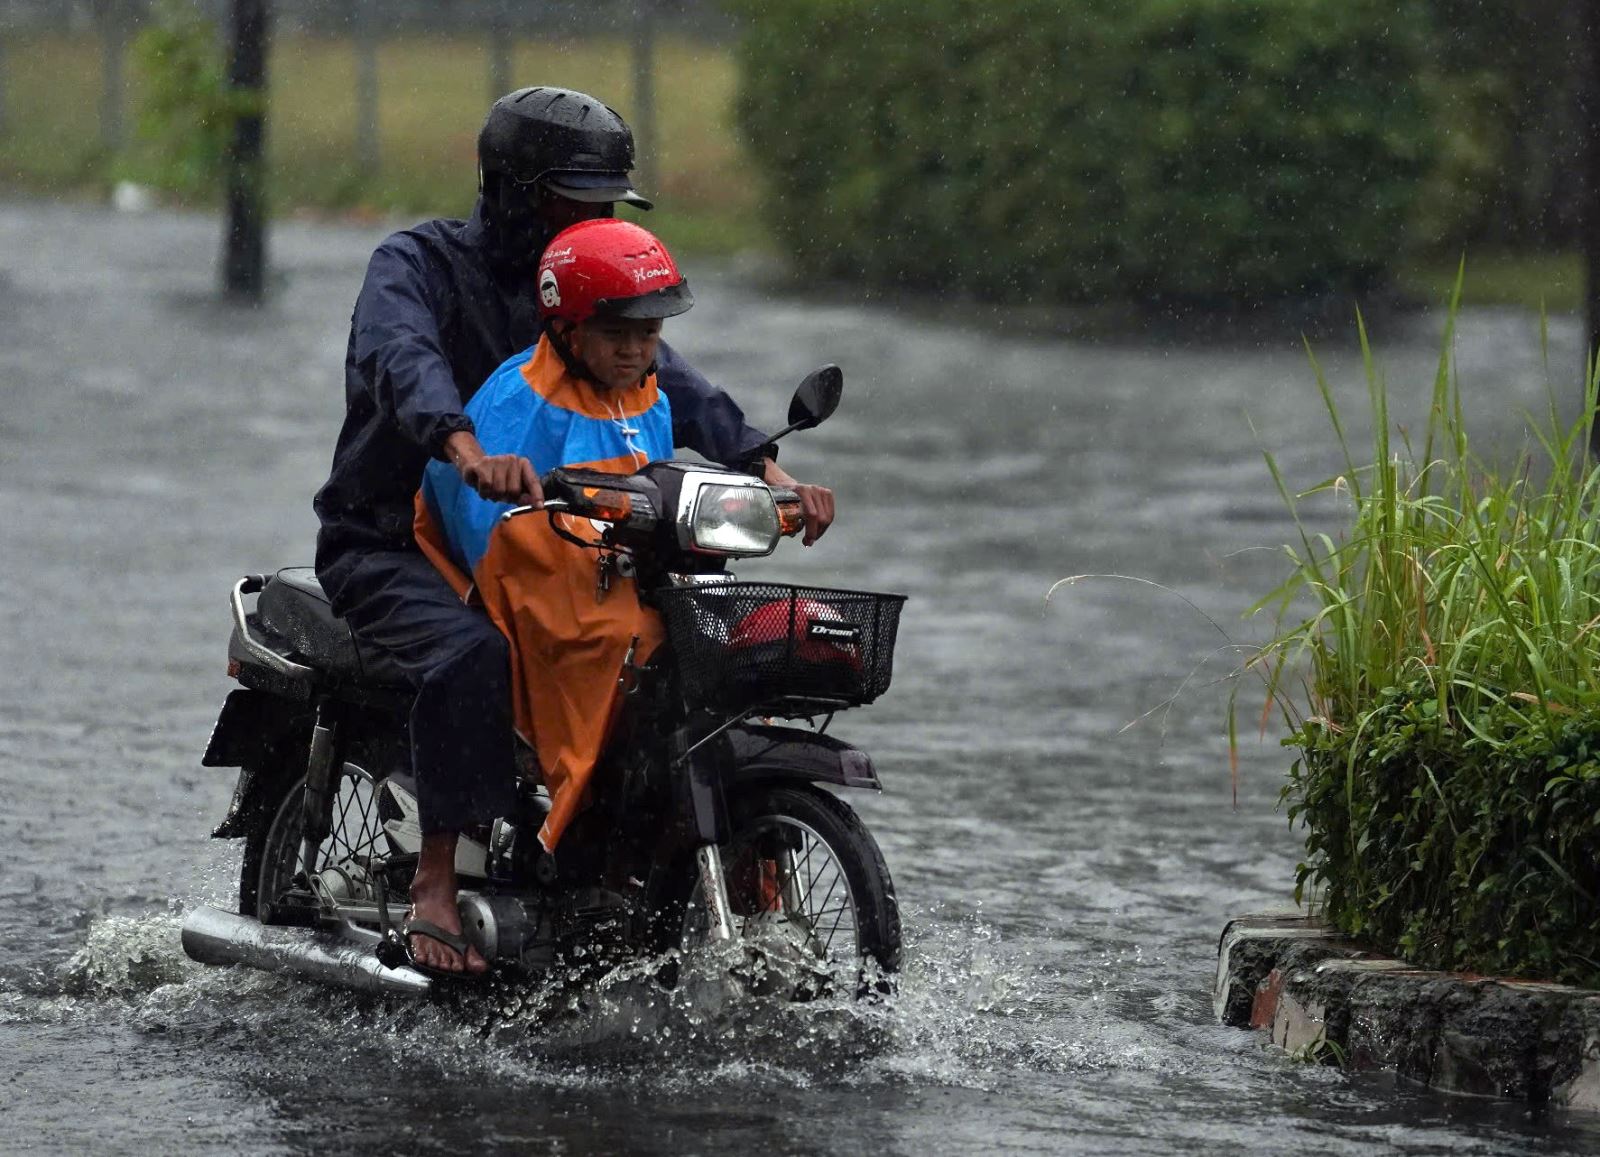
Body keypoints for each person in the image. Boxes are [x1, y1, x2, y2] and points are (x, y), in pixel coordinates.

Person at [311, 87, 834, 977]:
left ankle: (631, 858)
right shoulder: (418, 265)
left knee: (692, 637)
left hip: (556, 540)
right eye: (579, 199)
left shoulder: (589, 292)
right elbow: (400, 357)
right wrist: (463, 445)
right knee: (470, 653)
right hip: (397, 537)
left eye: (607, 203)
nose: (596, 217)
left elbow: (675, 380)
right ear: (517, 192)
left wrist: (767, 470)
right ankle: (437, 879)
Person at [414, 217, 702, 870]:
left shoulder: (648, 394)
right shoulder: (519, 401)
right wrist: (497, 478)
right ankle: (558, 835)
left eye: (649, 334)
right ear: (568, 330)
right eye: (616, 334)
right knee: (620, 645)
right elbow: (491, 535)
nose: (635, 351)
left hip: (612, 566)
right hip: (522, 568)